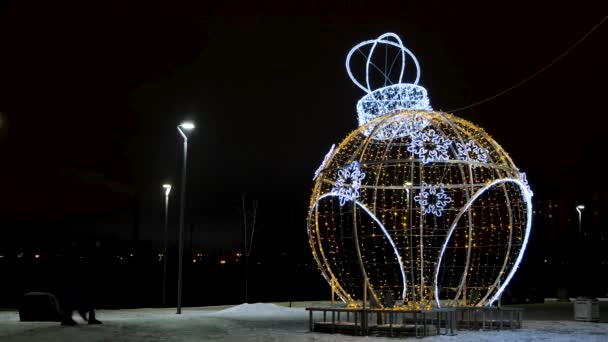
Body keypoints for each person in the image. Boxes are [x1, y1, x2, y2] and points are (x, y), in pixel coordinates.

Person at [58, 240, 103, 326]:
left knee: (84, 297)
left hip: (78, 277)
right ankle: (68, 318)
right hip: (74, 277)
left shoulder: (77, 252)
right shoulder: (74, 253)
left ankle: (86, 316)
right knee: (72, 298)